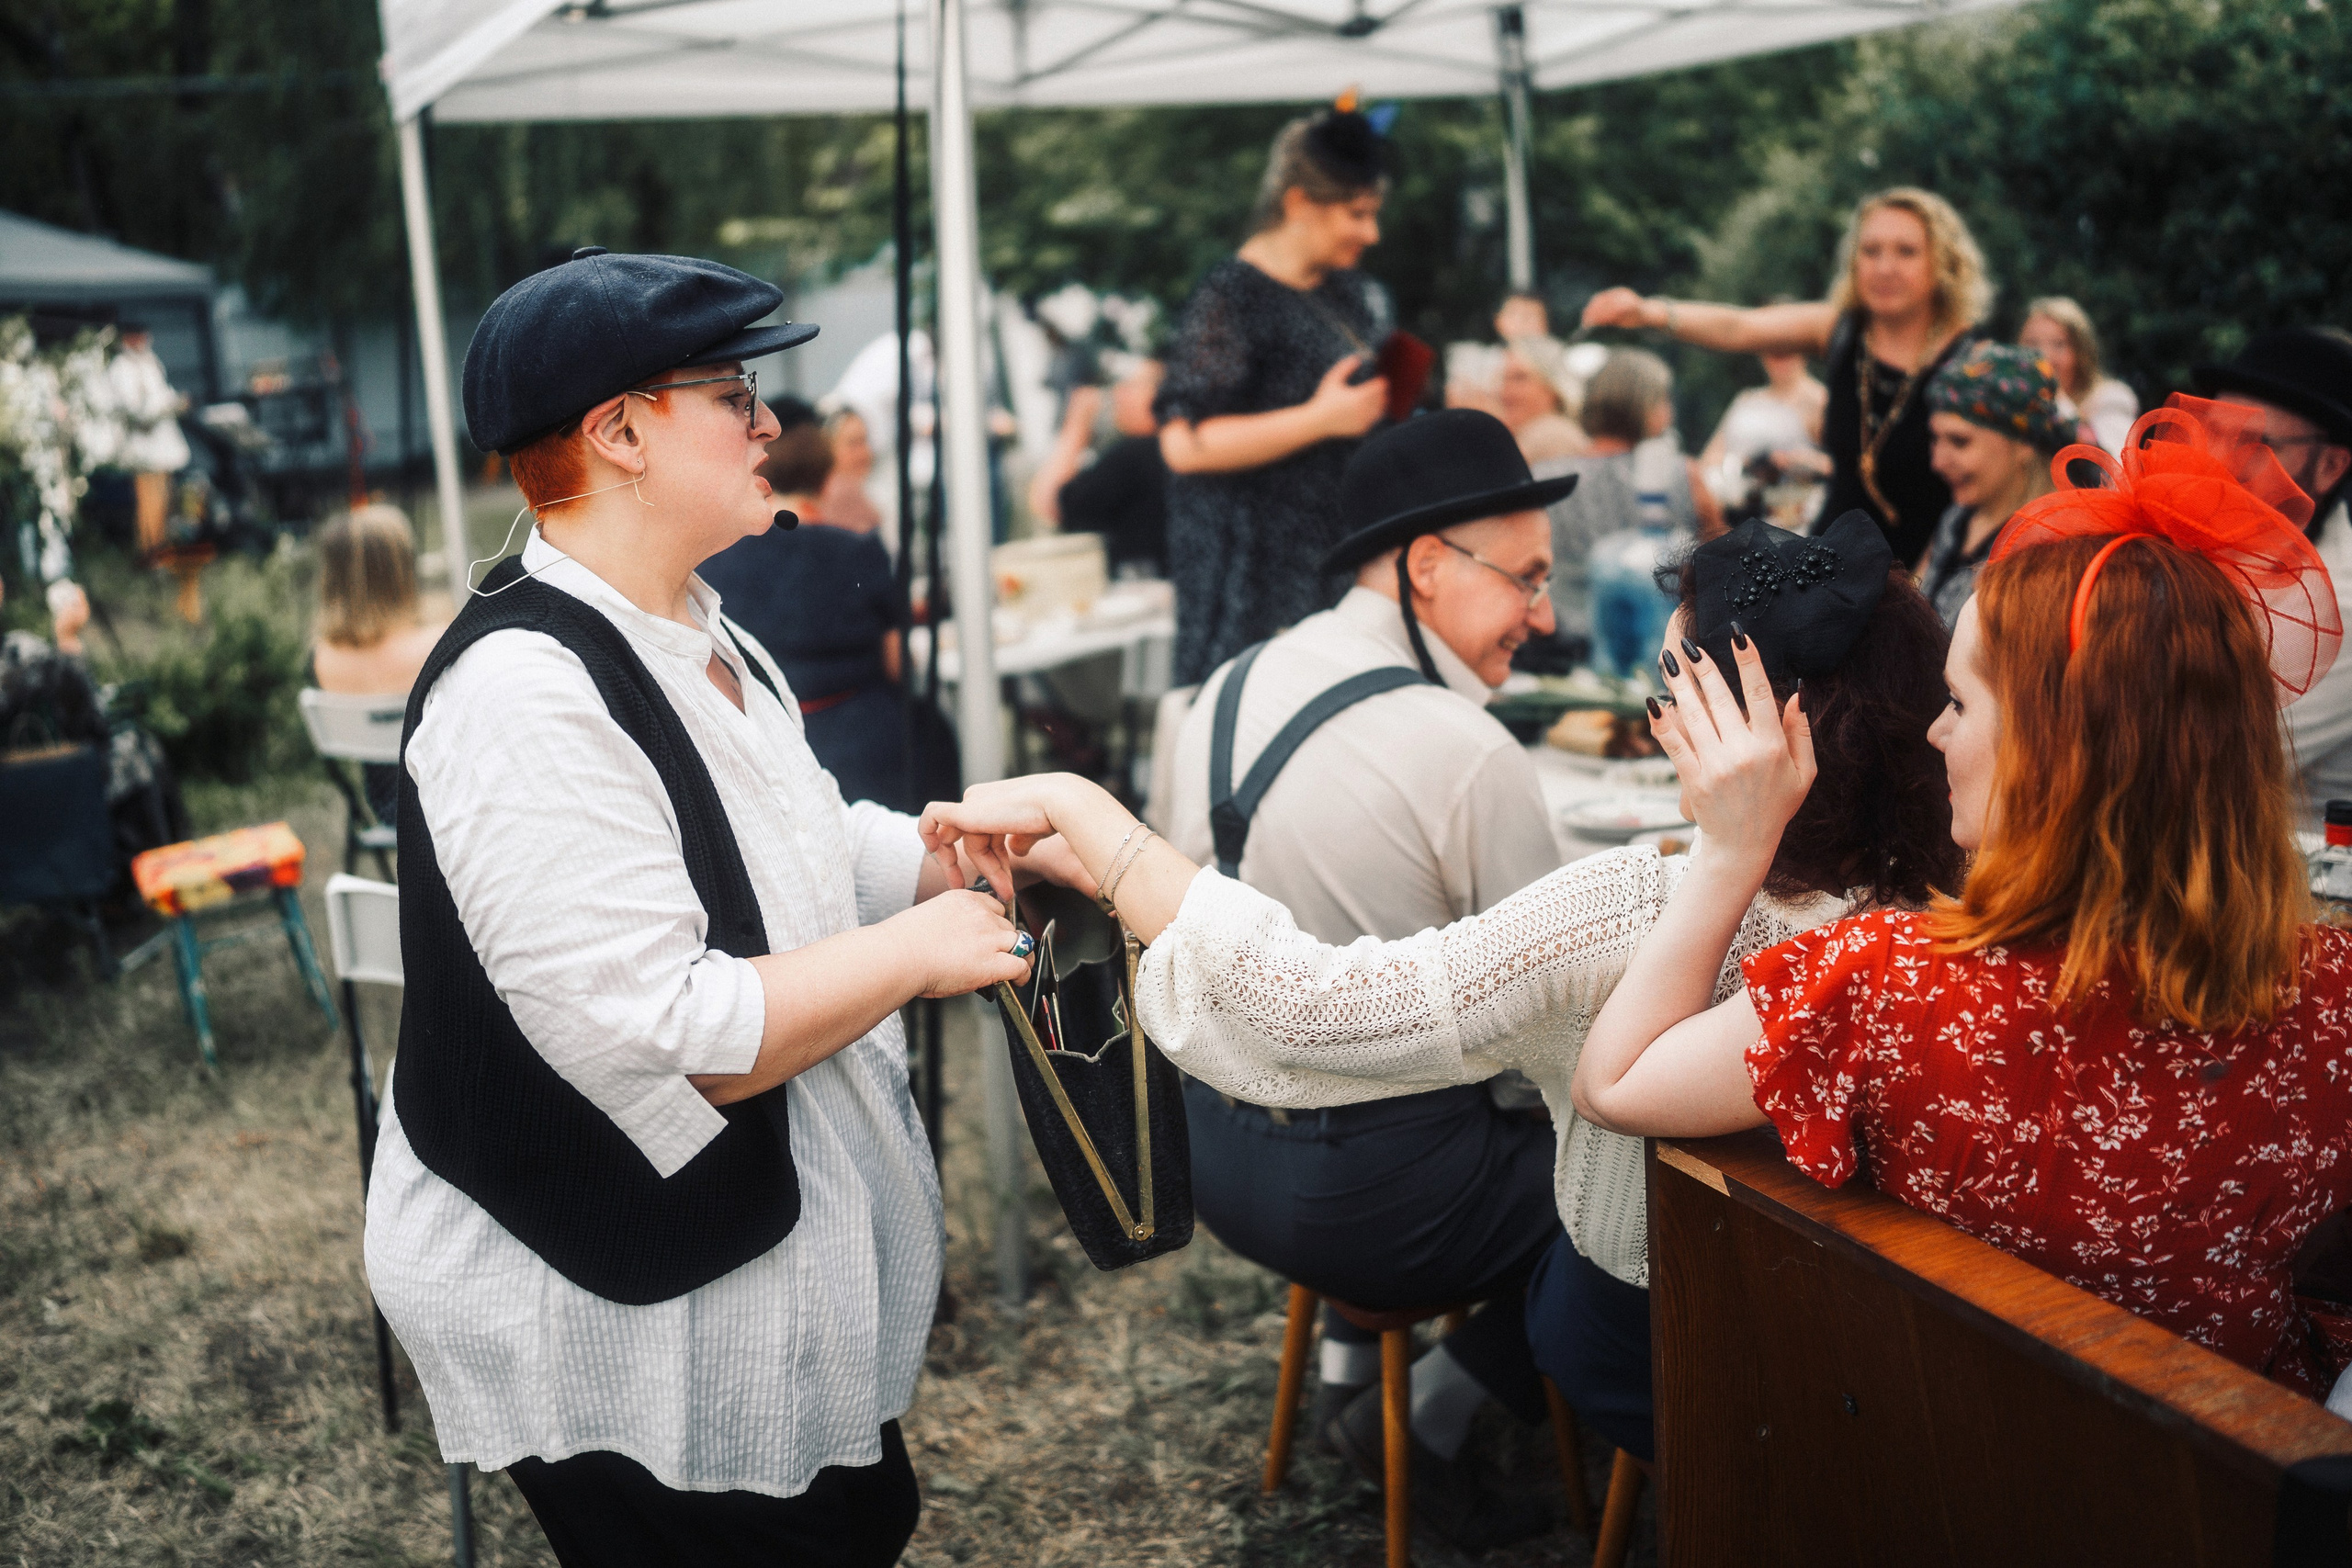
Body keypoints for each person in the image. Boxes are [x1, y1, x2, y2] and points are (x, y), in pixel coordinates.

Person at [913, 508, 1959, 1469]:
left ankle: (1423, 1400)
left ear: (1742, 730)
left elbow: (1316, 1011)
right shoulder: (1963, 904)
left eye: (1666, 695)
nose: (1653, 725)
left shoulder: (1641, 908)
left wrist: (1099, 820)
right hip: (1874, 1349)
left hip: (1650, 1332)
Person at [364, 247, 1047, 1568]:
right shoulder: (522, 697)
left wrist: (927, 857)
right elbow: (666, 1028)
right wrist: (914, 953)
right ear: (618, 432)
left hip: (728, 1219)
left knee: (856, 1522)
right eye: (734, 391)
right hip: (598, 1277)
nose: (773, 422)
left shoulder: (704, 627)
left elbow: (786, 837)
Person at [1571, 399, 2352, 1403]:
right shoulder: (2332, 1000)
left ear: (2058, 751)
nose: (1935, 736)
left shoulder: (1891, 985)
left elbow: (1615, 1081)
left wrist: (1730, 847)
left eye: (1960, 703)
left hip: (1947, 1474)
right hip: (2230, 1498)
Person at [1159, 410, 1570, 1545]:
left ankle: (1353, 1371)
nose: (1545, 616)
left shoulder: (1222, 685)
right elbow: (1555, 1045)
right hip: (1377, 1208)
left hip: (1214, 1148)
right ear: (1427, 567)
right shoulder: (1467, 747)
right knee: (1643, 1179)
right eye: (1527, 578)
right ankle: (1431, 1411)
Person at [1581, 187, 1991, 570]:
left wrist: (1925, 593)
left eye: (1906, 252)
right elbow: (1740, 328)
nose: (1884, 267)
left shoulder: (1972, 362)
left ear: (1943, 262)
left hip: (1929, 569)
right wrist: (1649, 313)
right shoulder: (1841, 331)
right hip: (1836, 564)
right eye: (1870, 251)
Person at [1156, 102, 1396, 685]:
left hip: (1334, 561)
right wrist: (1321, 420)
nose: (1372, 233)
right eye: (1356, 214)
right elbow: (1185, 446)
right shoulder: (1230, 298)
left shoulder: (1352, 292)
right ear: (1297, 204)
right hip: (1252, 584)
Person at [698, 398, 914, 811]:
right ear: (826, 474)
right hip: (871, 740)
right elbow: (897, 663)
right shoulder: (858, 550)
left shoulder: (715, 563)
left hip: (776, 744)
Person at [2193, 327, 2352, 826]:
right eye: (2214, 434)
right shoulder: (2204, 546)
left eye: (2257, 445)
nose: (2219, 463)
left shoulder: (2341, 603)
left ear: (2330, 466)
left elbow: (2205, 768)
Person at [1535, 350, 1721, 675]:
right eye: (1664, 399)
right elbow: (1722, 562)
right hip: (1662, 658)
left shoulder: (1545, 479)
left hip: (1561, 651)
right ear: (1646, 406)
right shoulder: (1682, 475)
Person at [1, 575, 187, 857]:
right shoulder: (17, 655)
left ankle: (158, 871)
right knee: (134, 755)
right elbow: (86, 721)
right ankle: (156, 875)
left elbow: (81, 709)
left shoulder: (18, 647)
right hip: (36, 796)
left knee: (137, 747)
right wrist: (67, 640)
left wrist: (68, 642)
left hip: (49, 781)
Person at [311, 503, 449, 829]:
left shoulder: (322, 659)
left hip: (385, 809)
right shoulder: (437, 643)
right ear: (400, 571)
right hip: (445, 801)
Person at [1917, 344, 2074, 626]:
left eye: (1959, 441)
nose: (1937, 462)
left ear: (2024, 443)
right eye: (1935, 439)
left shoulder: (2049, 552)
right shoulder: (1958, 519)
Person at [1034, 356, 1170, 576]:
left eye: (1131, 386)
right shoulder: (1170, 453)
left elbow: (1049, 504)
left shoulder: (1135, 454)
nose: (1118, 394)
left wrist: (1077, 422)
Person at [1697, 344, 1829, 522]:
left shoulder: (1820, 400)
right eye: (1773, 351)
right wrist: (1741, 465)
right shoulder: (1746, 399)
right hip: (1735, 511)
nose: (1780, 358)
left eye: (1787, 350)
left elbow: (1841, 467)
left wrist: (1796, 460)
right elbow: (1708, 459)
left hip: (1791, 516)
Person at [110, 325, 192, 558]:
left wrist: (176, 402)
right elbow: (135, 411)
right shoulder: (121, 368)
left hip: (162, 445)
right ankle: (150, 554)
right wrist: (166, 407)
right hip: (143, 448)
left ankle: (164, 549)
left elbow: (161, 393)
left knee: (166, 501)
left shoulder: (150, 361)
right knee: (150, 504)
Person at [2018, 297, 2138, 457]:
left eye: (2058, 345)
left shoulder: (2111, 400)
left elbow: (2112, 464)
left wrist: (2054, 398)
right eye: (2032, 344)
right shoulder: (2009, 409)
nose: (2044, 357)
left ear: (2081, 354)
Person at [814, 408, 886, 535]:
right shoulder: (843, 495)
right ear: (828, 448)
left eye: (865, 441)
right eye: (853, 444)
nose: (864, 452)